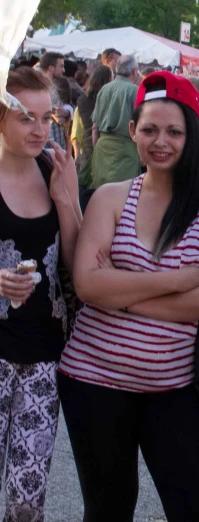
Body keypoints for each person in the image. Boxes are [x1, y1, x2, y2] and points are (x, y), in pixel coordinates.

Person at [57, 71, 199, 521]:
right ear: (132, 132)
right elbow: (87, 284)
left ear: (194, 135)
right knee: (107, 510)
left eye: (175, 131)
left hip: (176, 388)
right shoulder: (110, 198)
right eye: (149, 129)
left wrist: (121, 296)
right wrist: (179, 280)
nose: (161, 141)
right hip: (93, 380)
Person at [0, 66, 82, 522]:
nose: (39, 128)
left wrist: (65, 198)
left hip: (44, 357)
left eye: (46, 117)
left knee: (27, 503)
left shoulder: (56, 165)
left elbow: (77, 260)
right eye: (25, 118)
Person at [89, 54, 141, 193]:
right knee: (123, 197)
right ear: (135, 71)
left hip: (102, 147)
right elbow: (141, 126)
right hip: (125, 150)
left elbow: (95, 127)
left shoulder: (104, 89)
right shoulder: (135, 91)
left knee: (101, 195)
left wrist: (96, 150)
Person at [75, 65, 113, 209]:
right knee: (97, 180)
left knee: (85, 177)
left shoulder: (82, 99)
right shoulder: (106, 99)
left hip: (86, 141)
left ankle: (82, 210)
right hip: (100, 141)